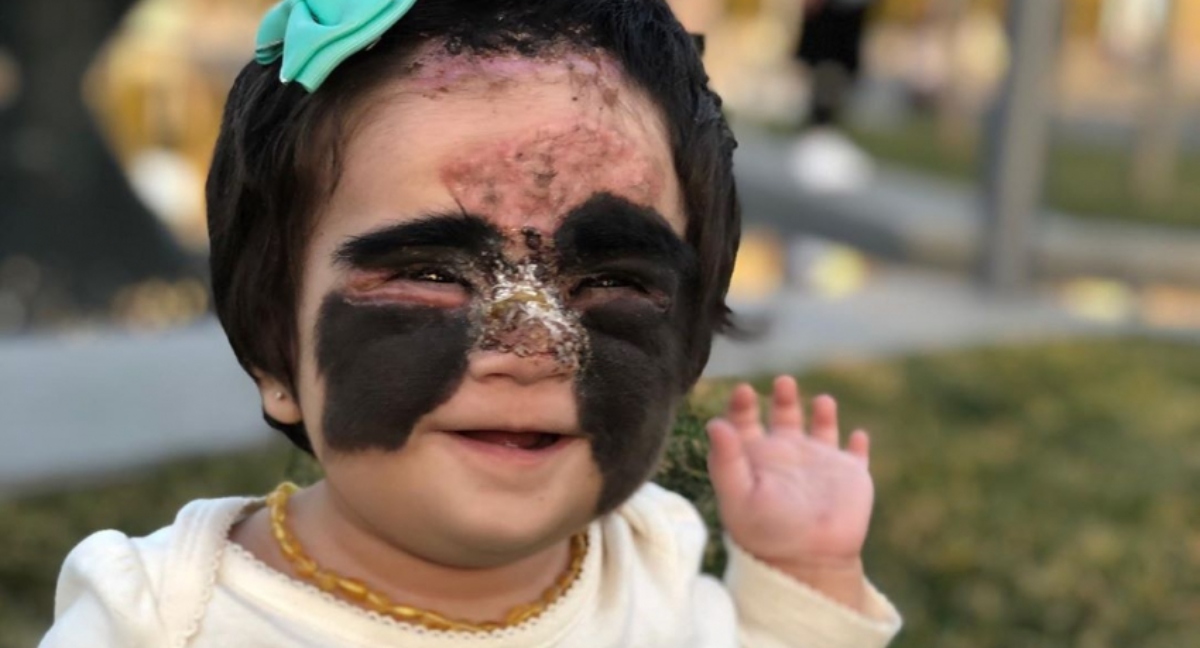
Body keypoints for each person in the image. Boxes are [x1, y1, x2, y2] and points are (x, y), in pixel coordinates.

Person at [41, 0, 902, 645]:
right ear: (272, 341)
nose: (531, 345)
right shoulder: (162, 617)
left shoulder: (653, 564)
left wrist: (804, 577)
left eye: (609, 280)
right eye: (429, 275)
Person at [790, 0, 877, 192]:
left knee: (839, 67)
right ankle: (817, 136)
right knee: (827, 64)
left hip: (850, 10)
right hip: (832, 12)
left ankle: (823, 134)